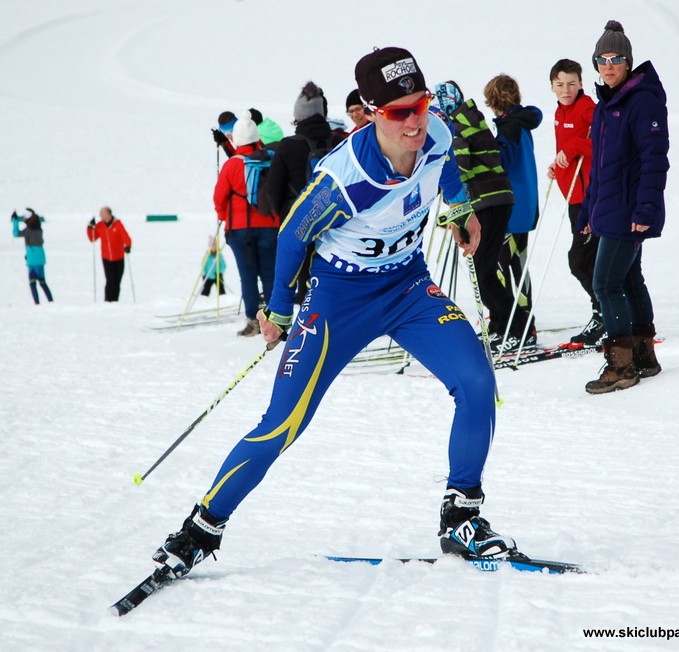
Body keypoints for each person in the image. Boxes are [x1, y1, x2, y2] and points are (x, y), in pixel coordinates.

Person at [150, 46, 526, 583]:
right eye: (399, 112)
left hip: (407, 285)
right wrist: (277, 310)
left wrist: (460, 210)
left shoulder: (437, 132)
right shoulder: (343, 177)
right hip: (337, 299)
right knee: (283, 423)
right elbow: (292, 235)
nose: (415, 120)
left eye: (419, 104)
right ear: (373, 112)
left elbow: (447, 172)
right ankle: (199, 531)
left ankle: (461, 516)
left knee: (475, 380)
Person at [577, 20, 669, 393]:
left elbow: (654, 159)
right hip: (610, 210)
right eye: (602, 59)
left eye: (616, 58)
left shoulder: (642, 100)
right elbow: (600, 167)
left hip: (629, 211)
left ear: (628, 62)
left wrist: (644, 210)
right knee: (629, 280)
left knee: (606, 283)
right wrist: (587, 212)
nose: (609, 65)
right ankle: (644, 357)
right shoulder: (606, 106)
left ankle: (621, 367)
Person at [433, 80, 535, 352]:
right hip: (489, 200)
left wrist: (437, 165)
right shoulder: (468, 118)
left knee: (484, 270)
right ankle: (502, 323)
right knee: (484, 269)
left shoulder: (458, 124)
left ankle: (517, 325)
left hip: (490, 201)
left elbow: (460, 164)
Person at [266, 81, 345, 302]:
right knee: (333, 273)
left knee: (303, 280)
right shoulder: (339, 142)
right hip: (336, 221)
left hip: (299, 220)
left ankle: (308, 325)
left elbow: (273, 189)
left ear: (298, 116)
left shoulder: (288, 145)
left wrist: (283, 214)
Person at [546, 59, 604, 344]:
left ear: (581, 83)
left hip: (590, 199)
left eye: (571, 83)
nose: (566, 89)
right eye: (559, 84)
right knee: (585, 260)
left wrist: (571, 148)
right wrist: (558, 167)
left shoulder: (588, 109)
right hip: (574, 198)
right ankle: (605, 312)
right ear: (552, 87)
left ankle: (605, 313)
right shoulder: (560, 110)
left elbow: (604, 142)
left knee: (580, 261)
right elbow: (571, 152)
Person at [483, 74, 542, 344]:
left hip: (511, 209)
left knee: (500, 268)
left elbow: (501, 161)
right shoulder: (520, 123)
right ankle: (520, 326)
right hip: (525, 206)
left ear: (493, 100)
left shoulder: (509, 127)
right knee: (516, 265)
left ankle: (514, 327)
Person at [213, 110, 281, 336]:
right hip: (269, 226)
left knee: (248, 276)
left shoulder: (232, 165)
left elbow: (219, 197)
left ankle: (253, 321)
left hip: (239, 229)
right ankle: (276, 320)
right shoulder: (270, 159)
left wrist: (223, 216)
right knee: (270, 274)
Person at [87, 206, 132, 302]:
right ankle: (108, 301)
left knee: (117, 281)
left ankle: (115, 301)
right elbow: (93, 238)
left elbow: (126, 236)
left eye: (102, 213)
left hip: (119, 257)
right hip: (106, 258)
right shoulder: (100, 225)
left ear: (108, 214)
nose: (100, 215)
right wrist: (90, 227)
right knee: (110, 280)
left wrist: (128, 245)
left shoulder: (118, 224)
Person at [11, 208, 53, 304]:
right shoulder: (39, 227)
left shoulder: (29, 230)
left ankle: (37, 302)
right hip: (41, 257)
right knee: (43, 282)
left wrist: (15, 221)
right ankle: (50, 301)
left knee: (32, 283)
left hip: (32, 259)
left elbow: (16, 233)